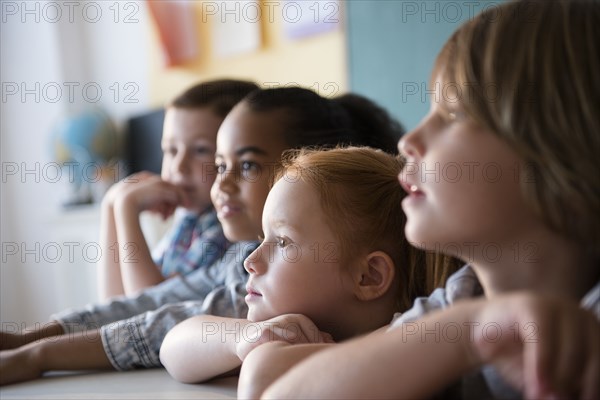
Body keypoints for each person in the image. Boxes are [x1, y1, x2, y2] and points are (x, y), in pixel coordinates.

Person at [257, 1, 600, 399]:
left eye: (454, 114)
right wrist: (469, 332)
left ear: (562, 151)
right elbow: (276, 392)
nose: (408, 141)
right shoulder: (463, 299)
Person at [0, 86, 402, 385]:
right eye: (220, 163)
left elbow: (157, 323)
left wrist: (36, 352)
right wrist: (31, 343)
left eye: (245, 165)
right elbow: (159, 314)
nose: (219, 183)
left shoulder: (302, 286)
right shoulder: (250, 262)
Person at [160, 147, 460, 384]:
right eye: (263, 238)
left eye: (283, 243)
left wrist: (262, 350)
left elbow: (263, 374)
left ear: (368, 276)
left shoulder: (406, 340)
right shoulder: (274, 316)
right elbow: (173, 346)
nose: (251, 261)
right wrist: (241, 338)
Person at [98, 79, 257, 299]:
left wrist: (127, 209)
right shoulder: (189, 221)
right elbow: (114, 304)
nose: (179, 167)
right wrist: (111, 204)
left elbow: (145, 307)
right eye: (171, 150)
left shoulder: (227, 231)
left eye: (200, 150)